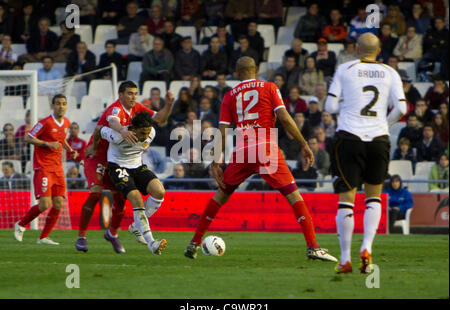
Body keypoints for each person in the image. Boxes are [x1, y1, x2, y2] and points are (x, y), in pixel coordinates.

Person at [184, 56, 337, 262]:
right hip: (265, 147)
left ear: (237, 74)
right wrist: (303, 143)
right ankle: (313, 247)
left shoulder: (229, 95)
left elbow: (221, 131)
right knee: (293, 196)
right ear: (256, 70)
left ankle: (194, 242)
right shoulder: (270, 87)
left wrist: (215, 162)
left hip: (242, 151)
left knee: (221, 195)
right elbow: (284, 117)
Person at [325, 33, 407, 273]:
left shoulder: (345, 69)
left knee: (346, 201)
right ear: (379, 50)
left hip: (349, 137)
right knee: (374, 197)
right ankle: (367, 247)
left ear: (357, 50)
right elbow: (401, 108)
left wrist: (347, 107)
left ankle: (344, 259)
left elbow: (329, 106)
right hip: (379, 138)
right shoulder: (390, 72)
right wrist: (385, 124)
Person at [75, 81, 174, 253]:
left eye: (135, 93)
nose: (133, 97)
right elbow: (109, 123)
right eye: (129, 93)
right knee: (95, 193)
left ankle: (113, 234)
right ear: (120, 95)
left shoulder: (139, 111)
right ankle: (82, 237)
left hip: (127, 160)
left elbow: (160, 119)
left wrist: (169, 104)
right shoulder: (115, 110)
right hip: (99, 155)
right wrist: (121, 131)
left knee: (121, 200)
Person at [97, 111, 168, 254]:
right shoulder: (117, 136)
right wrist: (93, 147)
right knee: (136, 199)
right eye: (142, 133)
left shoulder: (151, 132)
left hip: (137, 166)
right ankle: (151, 242)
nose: (146, 137)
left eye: (148, 133)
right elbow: (99, 130)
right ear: (133, 129)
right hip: (118, 167)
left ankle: (136, 226)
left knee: (159, 192)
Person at [13, 94, 78, 245]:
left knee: (58, 203)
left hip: (57, 168)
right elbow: (28, 137)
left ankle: (43, 237)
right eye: (57, 103)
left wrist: (70, 150)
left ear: (66, 106)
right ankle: (21, 224)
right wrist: (47, 144)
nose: (61, 106)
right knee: (44, 204)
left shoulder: (67, 122)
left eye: (63, 103)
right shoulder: (45, 122)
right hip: (43, 167)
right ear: (52, 106)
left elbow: (61, 140)